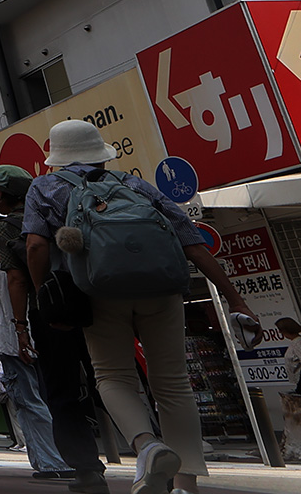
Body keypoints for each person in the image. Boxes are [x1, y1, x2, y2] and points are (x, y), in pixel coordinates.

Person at [24, 121, 259, 494]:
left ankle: (146, 446)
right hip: (162, 289)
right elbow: (192, 242)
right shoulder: (132, 184)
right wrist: (235, 298)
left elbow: (36, 246)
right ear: (101, 154)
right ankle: (186, 484)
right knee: (174, 384)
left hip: (99, 292)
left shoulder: (45, 187)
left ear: (56, 157)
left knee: (113, 377)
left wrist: (44, 296)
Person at [0, 164, 108, 494]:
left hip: (52, 309)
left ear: (1, 196)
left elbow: (15, 279)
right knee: (113, 379)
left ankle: (86, 469)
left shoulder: (7, 227)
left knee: (62, 390)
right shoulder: (71, 201)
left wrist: (21, 327)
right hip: (99, 301)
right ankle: (151, 446)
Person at [0, 233, 70, 479]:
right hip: (34, 334)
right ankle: (55, 457)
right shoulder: (27, 265)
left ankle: (51, 461)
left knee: (27, 401)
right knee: (40, 396)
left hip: (10, 340)